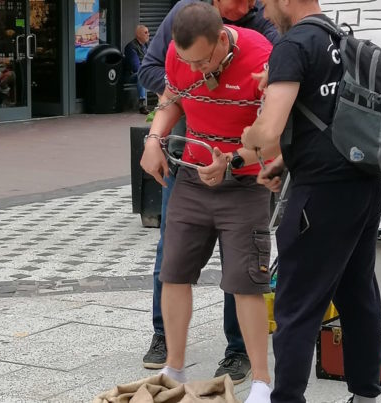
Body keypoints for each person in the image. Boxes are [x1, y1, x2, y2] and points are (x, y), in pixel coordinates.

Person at [242, 1, 381, 402]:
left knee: (296, 305)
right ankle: (365, 394)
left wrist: (248, 139)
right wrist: (286, 161)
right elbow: (333, 120)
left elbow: (267, 132)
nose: (266, 14)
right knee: (358, 294)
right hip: (364, 185)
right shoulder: (343, 40)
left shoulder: (294, 45)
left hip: (321, 194)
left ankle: (286, 398)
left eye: (268, 4)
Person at [137, 0, 278, 385]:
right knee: (174, 272)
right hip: (193, 176)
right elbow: (172, 97)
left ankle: (262, 382)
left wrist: (231, 161)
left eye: (203, 62)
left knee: (245, 282)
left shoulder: (261, 55)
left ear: (220, 39)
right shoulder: (178, 55)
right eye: (189, 63)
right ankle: (174, 369)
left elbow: (275, 135)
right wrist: (154, 139)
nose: (197, 70)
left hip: (246, 181)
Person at [125, 25, 150, 114]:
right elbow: (136, 67)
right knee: (141, 74)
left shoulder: (146, 45)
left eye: (148, 32)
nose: (148, 35)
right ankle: (142, 104)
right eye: (145, 33)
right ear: (138, 35)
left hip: (147, 72)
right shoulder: (131, 47)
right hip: (132, 76)